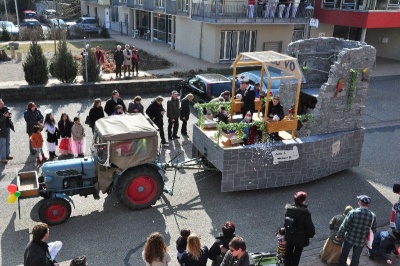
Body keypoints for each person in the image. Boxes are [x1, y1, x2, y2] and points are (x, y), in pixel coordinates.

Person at [336, 195, 377, 266]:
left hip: (349, 238)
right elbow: (373, 230)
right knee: (356, 257)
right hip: (361, 241)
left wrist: (339, 235)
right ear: (368, 204)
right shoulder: (372, 216)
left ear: (360, 203)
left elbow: (344, 225)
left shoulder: (353, 212)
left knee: (344, 255)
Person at [284, 191, 315, 266]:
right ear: (303, 201)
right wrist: (311, 234)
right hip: (300, 238)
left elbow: (286, 222)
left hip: (290, 235)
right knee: (297, 255)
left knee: (288, 252)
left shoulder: (289, 210)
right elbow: (309, 227)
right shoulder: (305, 213)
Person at [0, 98, 13, 163]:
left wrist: (9, 115)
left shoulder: (5, 108)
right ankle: (3, 158)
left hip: (7, 127)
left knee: (8, 142)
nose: (2, 104)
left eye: (2, 102)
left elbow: (8, 113)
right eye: (0, 103)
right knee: (2, 144)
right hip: (1, 130)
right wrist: (4, 116)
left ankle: (7, 155)